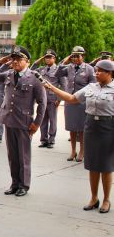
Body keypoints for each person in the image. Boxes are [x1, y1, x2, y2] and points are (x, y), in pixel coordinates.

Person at [43, 59, 114, 213]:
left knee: (106, 167)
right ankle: (94, 198)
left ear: (110, 73)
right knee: (92, 165)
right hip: (90, 127)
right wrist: (53, 88)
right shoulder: (91, 87)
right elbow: (72, 98)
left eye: (100, 71)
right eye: (96, 70)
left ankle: (107, 199)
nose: (96, 73)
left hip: (108, 129)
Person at [0, 46, 47, 197]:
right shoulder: (8, 73)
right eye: (13, 59)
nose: (14, 62)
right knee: (12, 155)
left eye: (18, 59)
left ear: (27, 61)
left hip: (24, 122)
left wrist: (37, 123)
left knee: (23, 156)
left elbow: (42, 102)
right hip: (9, 119)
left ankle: (24, 185)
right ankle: (14, 183)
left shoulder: (35, 77)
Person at [54, 46, 95, 162]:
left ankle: (82, 151)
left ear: (83, 56)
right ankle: (73, 151)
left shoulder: (89, 69)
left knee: (81, 128)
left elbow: (93, 84)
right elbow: (57, 74)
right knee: (72, 128)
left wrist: (81, 95)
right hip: (70, 101)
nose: (75, 58)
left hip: (82, 102)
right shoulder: (69, 67)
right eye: (73, 56)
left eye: (77, 56)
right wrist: (64, 62)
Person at [30, 49, 67, 148]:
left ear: (54, 58)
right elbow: (31, 70)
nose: (47, 59)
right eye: (46, 57)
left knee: (52, 120)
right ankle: (43, 140)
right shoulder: (41, 69)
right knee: (43, 119)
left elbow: (64, 85)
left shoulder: (59, 70)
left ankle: (51, 140)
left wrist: (59, 99)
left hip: (52, 99)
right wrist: (38, 60)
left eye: (50, 57)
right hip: (42, 99)